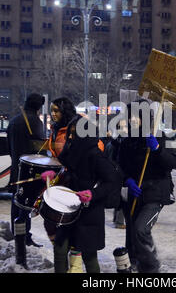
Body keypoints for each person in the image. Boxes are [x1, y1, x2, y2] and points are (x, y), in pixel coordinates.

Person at [42, 104, 120, 273]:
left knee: (89, 256)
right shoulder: (69, 151)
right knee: (60, 249)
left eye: (73, 133)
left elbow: (111, 181)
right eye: (70, 132)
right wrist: (53, 176)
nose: (70, 136)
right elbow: (62, 169)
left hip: (88, 213)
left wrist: (92, 194)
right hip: (68, 209)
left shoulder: (95, 155)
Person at [119, 101, 176, 273]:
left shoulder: (157, 137)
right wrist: (126, 180)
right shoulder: (127, 141)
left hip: (155, 193)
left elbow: (171, 163)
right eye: (130, 116)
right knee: (131, 233)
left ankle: (151, 268)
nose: (132, 120)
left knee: (140, 229)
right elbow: (119, 166)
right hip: (134, 193)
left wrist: (158, 149)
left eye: (136, 116)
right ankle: (134, 261)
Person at [7, 93, 45, 247]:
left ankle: (17, 234)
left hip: (16, 168)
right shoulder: (35, 122)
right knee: (25, 205)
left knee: (16, 203)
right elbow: (40, 148)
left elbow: (8, 146)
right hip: (29, 171)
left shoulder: (14, 121)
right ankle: (24, 237)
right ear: (38, 107)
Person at [104, 120, 128, 229]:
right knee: (123, 198)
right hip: (119, 173)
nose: (122, 129)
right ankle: (119, 221)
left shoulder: (117, 140)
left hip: (118, 173)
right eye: (120, 127)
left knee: (121, 197)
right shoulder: (117, 142)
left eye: (124, 127)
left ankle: (117, 219)